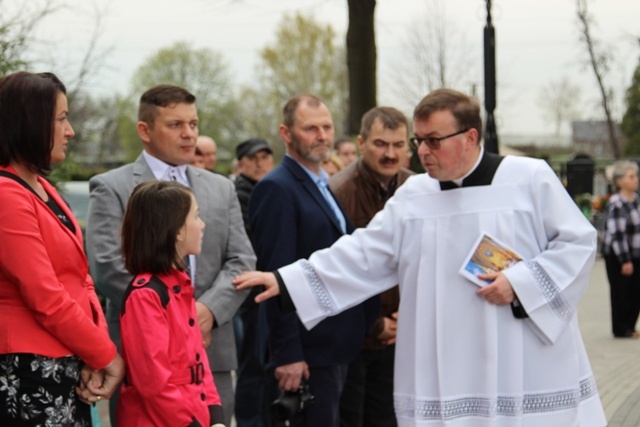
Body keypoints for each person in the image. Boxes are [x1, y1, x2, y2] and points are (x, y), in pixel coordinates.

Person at [235, 88, 607, 427]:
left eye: (433, 141)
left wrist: (521, 283)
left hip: (520, 351)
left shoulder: (528, 178)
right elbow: (364, 252)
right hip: (446, 358)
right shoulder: (415, 195)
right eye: (419, 140)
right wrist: (287, 280)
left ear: (470, 137)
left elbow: (578, 243)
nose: (421, 151)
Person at [86, 84, 256, 426]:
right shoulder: (112, 186)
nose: (189, 133)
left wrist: (206, 311)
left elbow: (242, 260)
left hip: (212, 353)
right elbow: (106, 266)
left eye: (193, 124)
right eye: (176, 124)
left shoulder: (221, 187)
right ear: (144, 130)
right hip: (147, 361)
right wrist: (173, 313)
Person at [0, 71, 124, 426]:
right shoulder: (7, 193)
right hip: (29, 368)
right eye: (61, 119)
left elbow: (79, 281)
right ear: (30, 122)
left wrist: (92, 350)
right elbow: (46, 296)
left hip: (63, 360)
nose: (70, 131)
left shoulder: (38, 186)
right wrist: (106, 355)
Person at [248, 94, 378, 427]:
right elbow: (275, 276)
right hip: (307, 352)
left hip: (335, 346)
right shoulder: (277, 188)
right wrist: (288, 353)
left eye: (327, 127)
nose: (322, 136)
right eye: (310, 128)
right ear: (286, 133)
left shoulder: (321, 184)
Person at [329, 106, 414, 427]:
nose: (390, 153)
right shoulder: (339, 192)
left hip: (403, 333)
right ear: (362, 143)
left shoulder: (419, 189)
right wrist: (373, 322)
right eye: (381, 144)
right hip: (353, 338)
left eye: (398, 144)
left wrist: (407, 317)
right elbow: (336, 268)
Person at [118, 181, 225, 427]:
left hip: (193, 414)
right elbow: (153, 382)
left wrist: (215, 415)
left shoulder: (179, 286)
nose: (202, 224)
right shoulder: (146, 295)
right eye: (196, 217)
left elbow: (199, 363)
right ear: (176, 230)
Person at [232, 137, 275, 427]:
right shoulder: (239, 194)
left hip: (269, 292)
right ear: (241, 163)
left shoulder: (268, 190)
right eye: (254, 158)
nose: (260, 163)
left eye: (265, 157)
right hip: (250, 296)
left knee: (267, 368)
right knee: (253, 368)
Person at [601, 160, 640, 338]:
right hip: (619, 256)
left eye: (636, 176)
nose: (635, 180)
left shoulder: (635, 200)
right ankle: (621, 329)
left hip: (635, 253)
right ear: (619, 181)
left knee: (635, 292)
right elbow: (617, 234)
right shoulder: (617, 204)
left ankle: (630, 327)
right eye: (631, 176)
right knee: (622, 293)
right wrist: (625, 260)